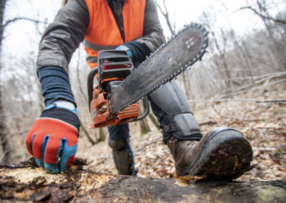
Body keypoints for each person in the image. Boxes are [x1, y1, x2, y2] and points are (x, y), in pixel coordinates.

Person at [25, 0, 253, 179]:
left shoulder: (144, 1)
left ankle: (186, 150)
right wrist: (59, 103)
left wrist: (131, 49)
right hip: (105, 80)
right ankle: (126, 176)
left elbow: (157, 36)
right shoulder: (84, 3)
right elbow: (55, 42)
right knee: (117, 139)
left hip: (141, 66)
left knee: (157, 69)